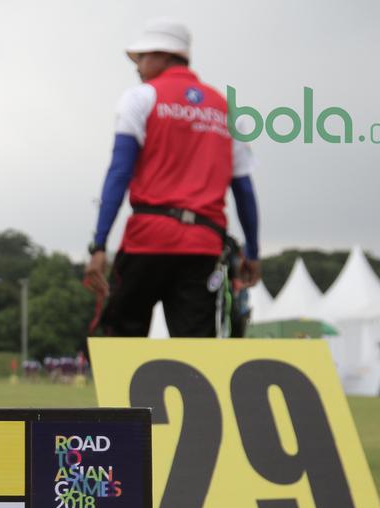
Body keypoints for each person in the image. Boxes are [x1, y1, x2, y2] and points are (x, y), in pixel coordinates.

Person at [82, 17, 261, 337]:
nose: (137, 66)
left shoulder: (140, 98)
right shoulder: (225, 108)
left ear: (164, 56)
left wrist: (99, 244)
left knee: (122, 344)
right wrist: (254, 251)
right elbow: (243, 189)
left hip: (148, 240)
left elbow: (119, 172)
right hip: (203, 247)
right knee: (195, 356)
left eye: (142, 57)